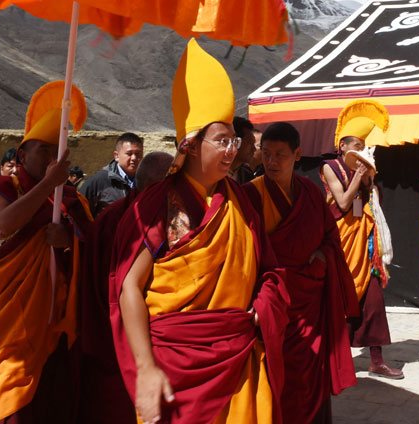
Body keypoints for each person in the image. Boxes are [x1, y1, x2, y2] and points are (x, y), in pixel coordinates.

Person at [110, 39, 288, 424]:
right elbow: (128, 287)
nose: (232, 151)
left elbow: (269, 271)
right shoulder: (156, 204)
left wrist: (263, 309)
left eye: (234, 141)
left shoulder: (242, 202)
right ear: (191, 145)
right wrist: (146, 368)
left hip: (237, 356)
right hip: (174, 362)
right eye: (222, 140)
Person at [0, 82, 92, 423]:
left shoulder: (71, 200)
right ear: (22, 155)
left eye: (58, 152)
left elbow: (92, 248)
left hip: (52, 321)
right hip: (5, 317)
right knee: (4, 390)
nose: (51, 159)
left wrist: (69, 240)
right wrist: (47, 186)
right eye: (43, 150)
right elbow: (5, 223)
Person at [243, 122, 359, 423]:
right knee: (279, 382)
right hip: (276, 308)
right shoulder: (250, 196)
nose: (271, 161)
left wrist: (322, 255)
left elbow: (330, 237)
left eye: (280, 154)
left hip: (310, 303)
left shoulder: (309, 191)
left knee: (312, 373)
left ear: (298, 154)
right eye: (265, 153)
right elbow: (245, 256)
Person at [76, 150, 174, 424]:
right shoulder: (119, 220)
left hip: (121, 337)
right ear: (157, 185)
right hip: (118, 339)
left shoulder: (123, 216)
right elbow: (117, 286)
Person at [320, 99, 403, 379]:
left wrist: (368, 181)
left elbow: (361, 206)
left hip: (363, 245)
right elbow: (343, 203)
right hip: (340, 244)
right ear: (342, 145)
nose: (359, 151)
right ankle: (335, 359)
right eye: (355, 145)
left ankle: (376, 360)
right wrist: (358, 175)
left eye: (362, 146)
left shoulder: (364, 172)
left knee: (374, 301)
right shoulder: (330, 166)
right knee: (340, 302)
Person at [82, 133, 144, 217]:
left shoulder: (147, 182)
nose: (134, 158)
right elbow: (80, 214)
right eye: (129, 154)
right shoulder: (99, 181)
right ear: (116, 156)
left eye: (137, 154)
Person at [230, 116, 258, 183]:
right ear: (235, 142)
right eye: (250, 142)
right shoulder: (214, 174)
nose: (254, 149)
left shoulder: (247, 175)